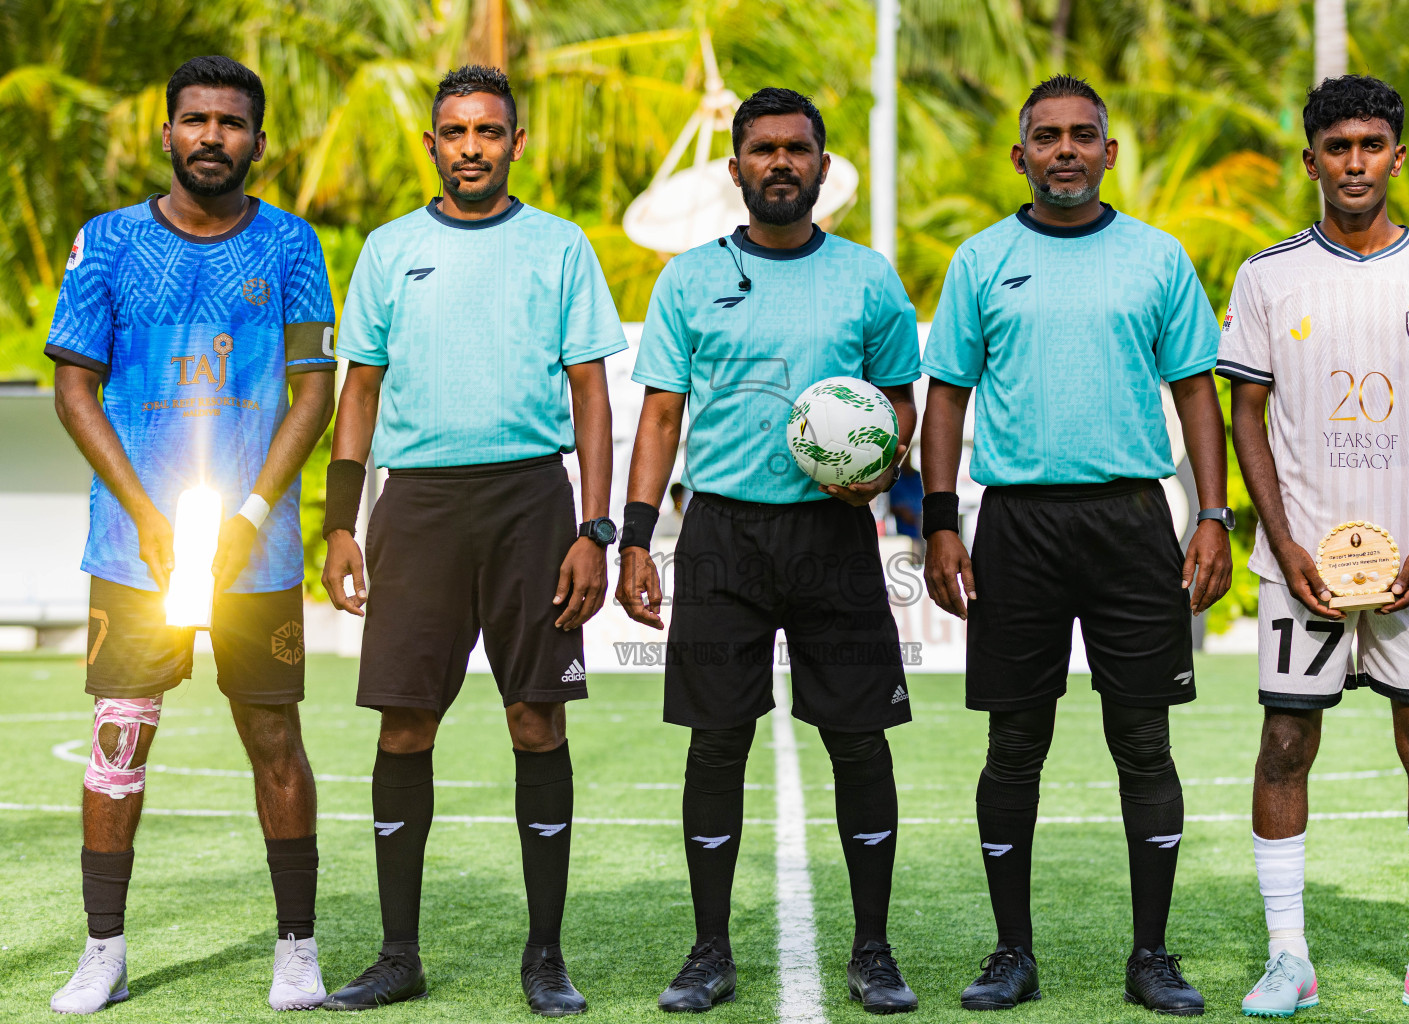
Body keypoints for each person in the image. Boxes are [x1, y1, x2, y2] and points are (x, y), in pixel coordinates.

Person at [920, 73, 1233, 1016]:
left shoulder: (1156, 258)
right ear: (1021, 155)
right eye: (1047, 136)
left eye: (1082, 135)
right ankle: (1011, 952)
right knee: (1016, 743)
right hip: (1016, 524)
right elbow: (946, 395)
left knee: (1143, 738)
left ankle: (1152, 956)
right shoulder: (981, 260)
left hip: (1133, 521)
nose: (1065, 149)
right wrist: (941, 519)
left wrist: (1212, 514)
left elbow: (1195, 392)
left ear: (1108, 152)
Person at [318, 65, 625, 1016]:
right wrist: (339, 521)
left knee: (536, 718)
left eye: (489, 131)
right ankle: (398, 954)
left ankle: (545, 958)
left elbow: (592, 396)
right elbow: (358, 391)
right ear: (433, 144)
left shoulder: (560, 246)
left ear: (516, 143)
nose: (472, 147)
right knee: (406, 720)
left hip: (534, 501)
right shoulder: (389, 248)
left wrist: (595, 527)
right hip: (415, 508)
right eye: (455, 131)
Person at [616, 87, 922, 1014]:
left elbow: (900, 401)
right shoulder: (685, 279)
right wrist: (635, 538)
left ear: (823, 168)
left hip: (834, 534)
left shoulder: (868, 278)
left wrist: (877, 468)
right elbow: (660, 413)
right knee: (716, 746)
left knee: (859, 742)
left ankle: (873, 950)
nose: (780, 163)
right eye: (763, 149)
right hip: (721, 535)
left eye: (797, 149)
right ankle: (709, 950)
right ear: (736, 167)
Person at [43, 55, 336, 1013]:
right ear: (167, 133)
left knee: (274, 739)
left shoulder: (290, 246)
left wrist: (250, 514)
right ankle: (104, 950)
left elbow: (314, 390)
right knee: (118, 740)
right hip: (137, 550)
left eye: (232, 123)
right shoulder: (109, 243)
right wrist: (147, 513)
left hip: (257, 550)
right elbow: (74, 389)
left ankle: (297, 948)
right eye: (196, 120)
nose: (213, 136)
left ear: (259, 141)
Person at [1220, 75, 1409, 1018]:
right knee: (1286, 743)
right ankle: (1287, 957)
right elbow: (1243, 412)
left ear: (1397, 156)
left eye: (1371, 145)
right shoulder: (1266, 276)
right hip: (1303, 569)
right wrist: (1283, 540)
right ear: (1310, 161)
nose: (1354, 163)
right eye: (1336, 147)